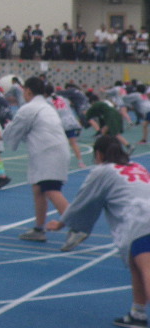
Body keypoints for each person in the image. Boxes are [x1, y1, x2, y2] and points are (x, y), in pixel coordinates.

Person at [47, 135, 150, 327]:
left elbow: (82, 201)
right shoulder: (137, 166)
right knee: (136, 266)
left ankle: (138, 313)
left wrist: (61, 223)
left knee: (146, 269)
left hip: (141, 222)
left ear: (98, 154)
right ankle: (138, 313)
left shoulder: (103, 171)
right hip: (142, 220)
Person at [2, 76, 70, 242]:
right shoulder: (45, 106)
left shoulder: (29, 108)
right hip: (53, 151)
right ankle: (39, 229)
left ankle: (77, 227)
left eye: (24, 91)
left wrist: (0, 135)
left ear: (28, 91)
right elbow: (26, 131)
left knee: (51, 190)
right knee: (38, 189)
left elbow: (15, 130)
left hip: (49, 153)